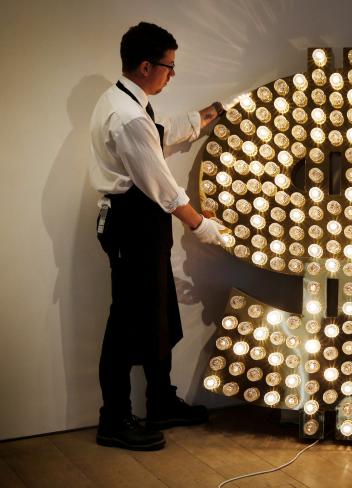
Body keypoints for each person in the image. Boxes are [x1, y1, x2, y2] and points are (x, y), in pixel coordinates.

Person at [89, 21, 227, 451]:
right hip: (132, 225)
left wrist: (205, 117)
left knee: (157, 311)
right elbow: (162, 187)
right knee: (126, 321)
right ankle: (113, 419)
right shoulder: (127, 117)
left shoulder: (128, 101)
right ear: (146, 65)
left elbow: (160, 131)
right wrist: (201, 225)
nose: (172, 74)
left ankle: (160, 400)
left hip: (141, 225)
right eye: (169, 67)